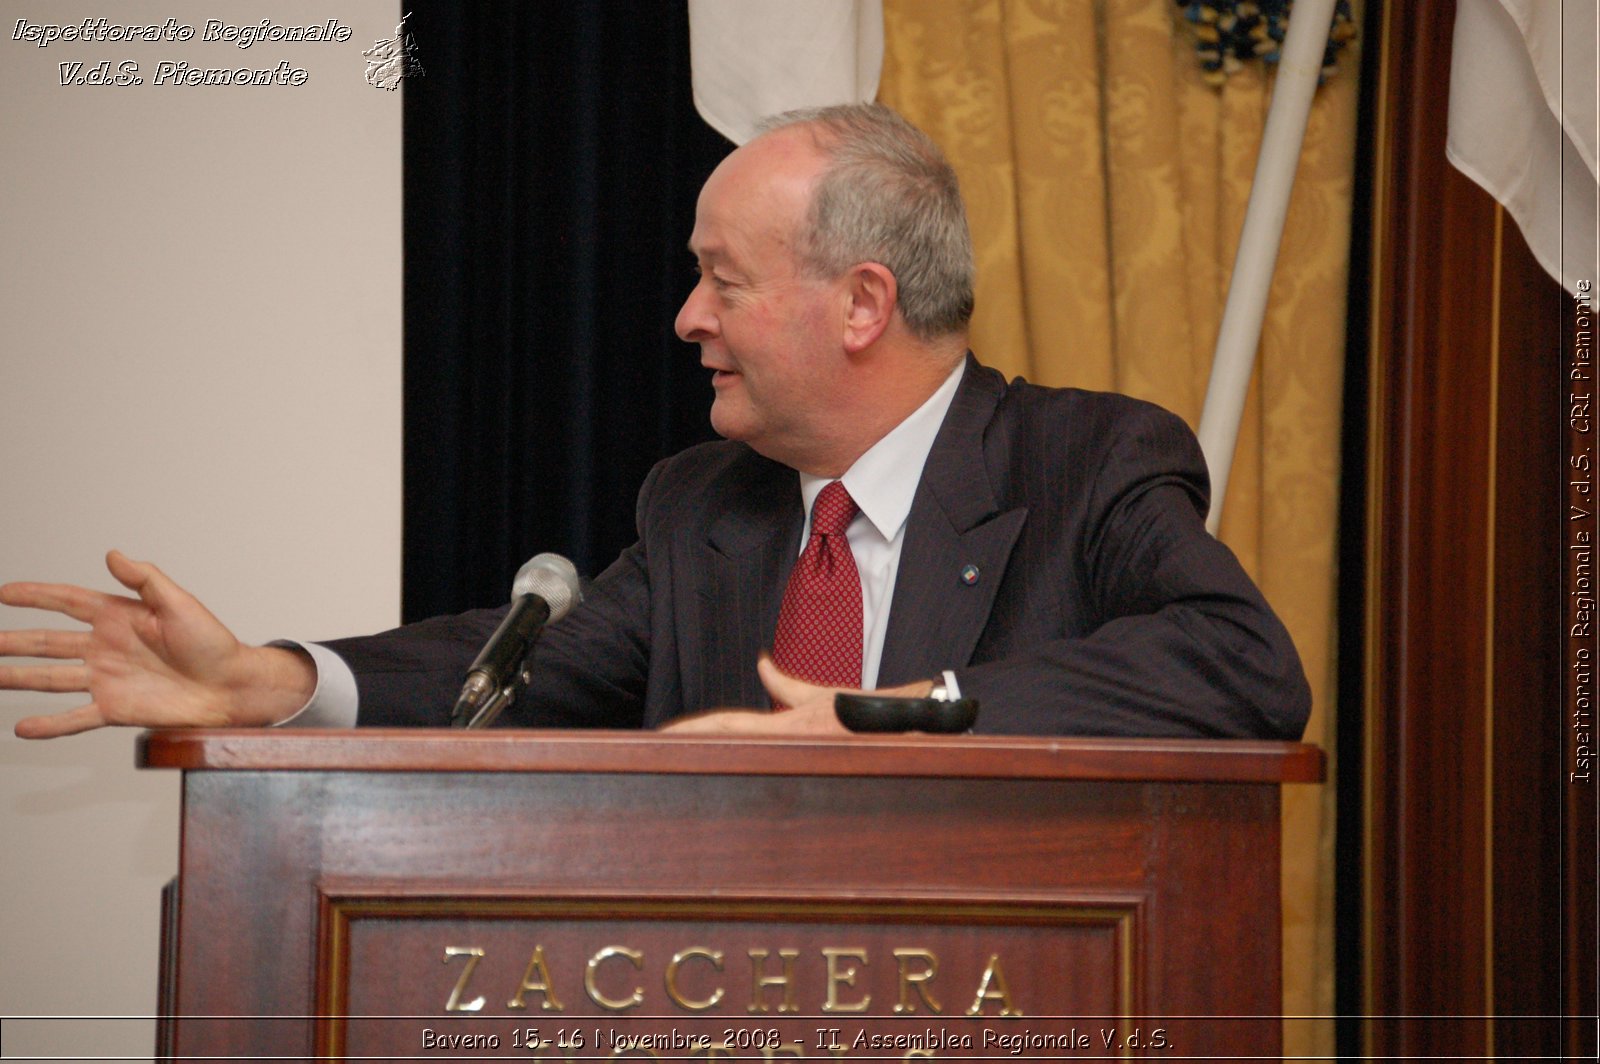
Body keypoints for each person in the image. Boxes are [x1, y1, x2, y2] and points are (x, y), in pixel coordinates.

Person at [0, 104, 1311, 741]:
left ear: (864, 301)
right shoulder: (703, 509)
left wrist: (904, 713)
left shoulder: (1087, 464)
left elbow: (1246, 670)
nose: (688, 318)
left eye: (722, 280)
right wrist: (269, 680)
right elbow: (517, 669)